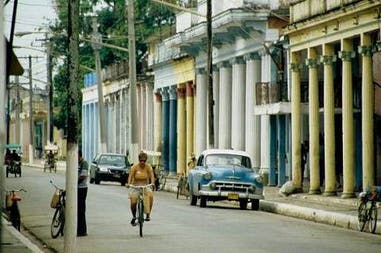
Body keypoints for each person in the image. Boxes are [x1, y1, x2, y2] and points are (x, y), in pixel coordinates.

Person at [127, 151, 155, 226]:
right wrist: (129, 184)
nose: (142, 162)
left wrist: (152, 183)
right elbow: (130, 176)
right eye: (141, 161)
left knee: (150, 196)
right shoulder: (134, 167)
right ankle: (134, 216)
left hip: (145, 186)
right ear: (138, 160)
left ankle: (148, 214)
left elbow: (152, 176)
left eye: (144, 161)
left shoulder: (148, 167)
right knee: (133, 203)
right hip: (135, 186)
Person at [77, 150, 88, 236]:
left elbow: (83, 176)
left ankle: (82, 230)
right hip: (74, 189)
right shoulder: (75, 163)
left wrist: (74, 183)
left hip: (81, 189)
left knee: (81, 210)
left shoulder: (84, 163)